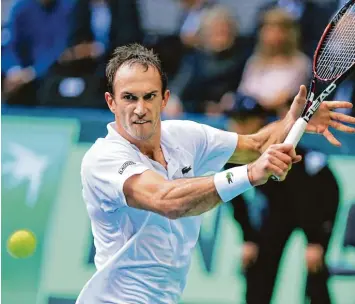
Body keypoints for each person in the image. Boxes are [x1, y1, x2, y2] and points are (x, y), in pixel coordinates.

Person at [77, 43, 355, 303]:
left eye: (149, 96)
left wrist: (294, 122)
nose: (140, 108)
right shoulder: (104, 159)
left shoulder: (186, 136)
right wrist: (249, 174)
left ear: (164, 99)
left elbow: (257, 145)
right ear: (111, 102)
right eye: (128, 98)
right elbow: (167, 200)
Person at [224, 94, 340, 304]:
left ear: (260, 121)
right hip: (280, 206)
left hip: (317, 200)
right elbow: (234, 197)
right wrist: (248, 238)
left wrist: (315, 240)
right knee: (259, 263)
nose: (238, 125)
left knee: (314, 265)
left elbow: (303, 196)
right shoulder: (232, 155)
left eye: (244, 119)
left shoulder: (282, 147)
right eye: (235, 119)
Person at [238, 8, 311, 117]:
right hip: (250, 115)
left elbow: (284, 97)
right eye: (269, 29)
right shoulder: (255, 61)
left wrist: (258, 103)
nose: (274, 34)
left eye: (280, 29)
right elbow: (243, 92)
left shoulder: (300, 62)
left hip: (280, 117)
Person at [1, 0, 73, 105]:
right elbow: (9, 45)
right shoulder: (21, 7)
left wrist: (32, 72)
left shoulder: (68, 7)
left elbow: (61, 49)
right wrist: (14, 70)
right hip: (18, 78)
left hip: (52, 77)